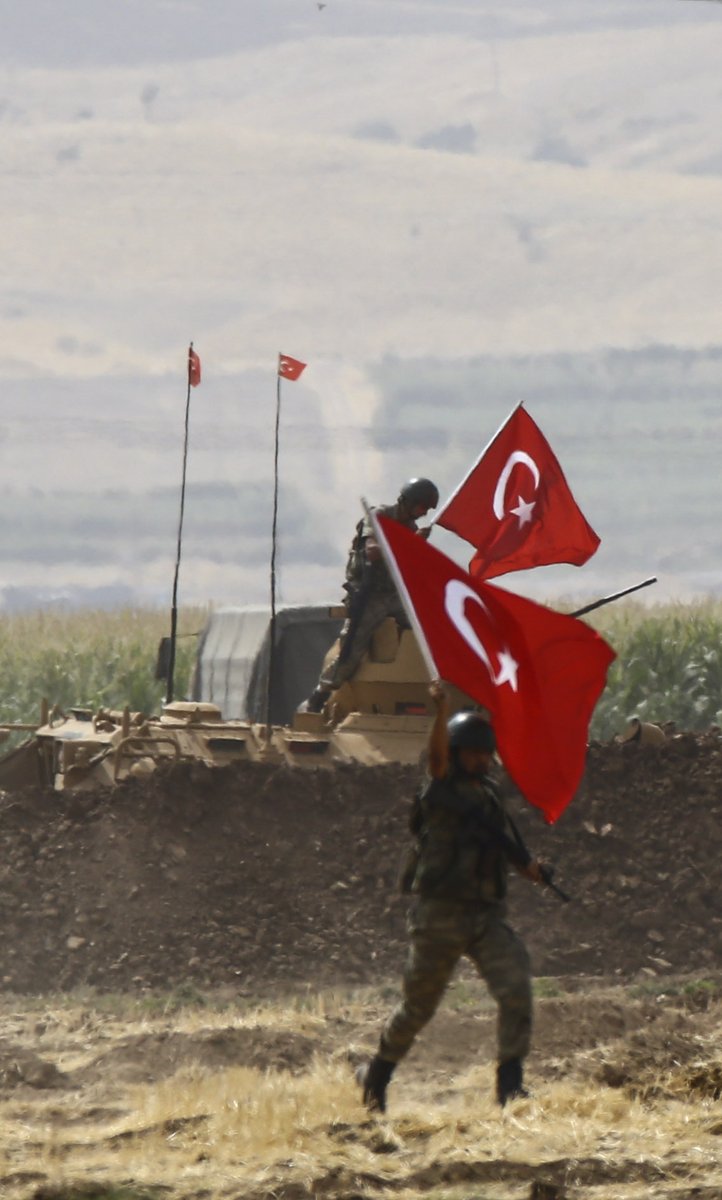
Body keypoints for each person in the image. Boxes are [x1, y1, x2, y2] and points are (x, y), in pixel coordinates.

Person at [358, 680, 544, 1113]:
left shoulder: (489, 795)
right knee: (418, 1008)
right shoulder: (440, 789)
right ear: (457, 753)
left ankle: (510, 1087)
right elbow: (436, 759)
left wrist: (531, 868)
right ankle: (377, 1077)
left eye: (485, 753)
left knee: (516, 988)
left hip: (485, 916)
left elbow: (505, 847)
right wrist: (441, 711)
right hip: (440, 915)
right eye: (473, 752)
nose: (481, 759)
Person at [302, 478, 439, 713]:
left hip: (394, 595)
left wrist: (418, 547)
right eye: (421, 507)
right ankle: (321, 693)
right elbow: (372, 551)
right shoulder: (380, 517)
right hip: (370, 594)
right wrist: (408, 542)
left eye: (427, 509)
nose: (423, 513)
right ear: (407, 501)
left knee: (427, 629)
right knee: (352, 650)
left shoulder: (411, 529)